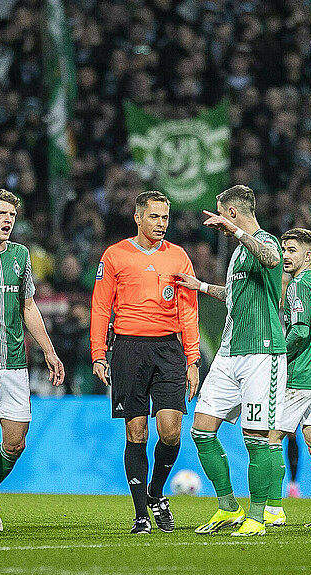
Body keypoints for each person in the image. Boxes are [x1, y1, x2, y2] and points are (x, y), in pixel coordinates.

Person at [174, 185, 286, 537]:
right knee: (201, 430)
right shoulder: (238, 253)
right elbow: (234, 295)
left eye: (221, 213)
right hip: (228, 352)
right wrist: (200, 286)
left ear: (232, 213)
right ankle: (228, 507)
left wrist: (236, 231)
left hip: (262, 353)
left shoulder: (265, 241)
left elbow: (272, 259)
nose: (218, 220)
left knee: (256, 437)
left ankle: (258, 517)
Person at [90, 190, 200, 534]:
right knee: (136, 431)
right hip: (128, 349)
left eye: (165, 217)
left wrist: (193, 359)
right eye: (154, 216)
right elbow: (100, 306)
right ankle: (141, 515)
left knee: (171, 431)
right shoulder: (115, 255)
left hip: (168, 350)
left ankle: (156, 491)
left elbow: (188, 309)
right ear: (138, 218)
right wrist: (98, 353)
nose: (161, 223)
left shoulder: (178, 256)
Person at [0, 189, 65, 534]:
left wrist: (48, 350)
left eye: (12, 215)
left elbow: (28, 306)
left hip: (15, 363)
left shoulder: (20, 255)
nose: (8, 220)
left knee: (15, 444)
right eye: (1, 213)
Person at [265, 228, 311, 528]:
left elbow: (299, 331)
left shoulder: (298, 284)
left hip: (303, 375)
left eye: (292, 250)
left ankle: (273, 509)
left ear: (308, 254)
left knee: (270, 438)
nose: (285, 255)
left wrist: (277, 356)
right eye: (283, 249)